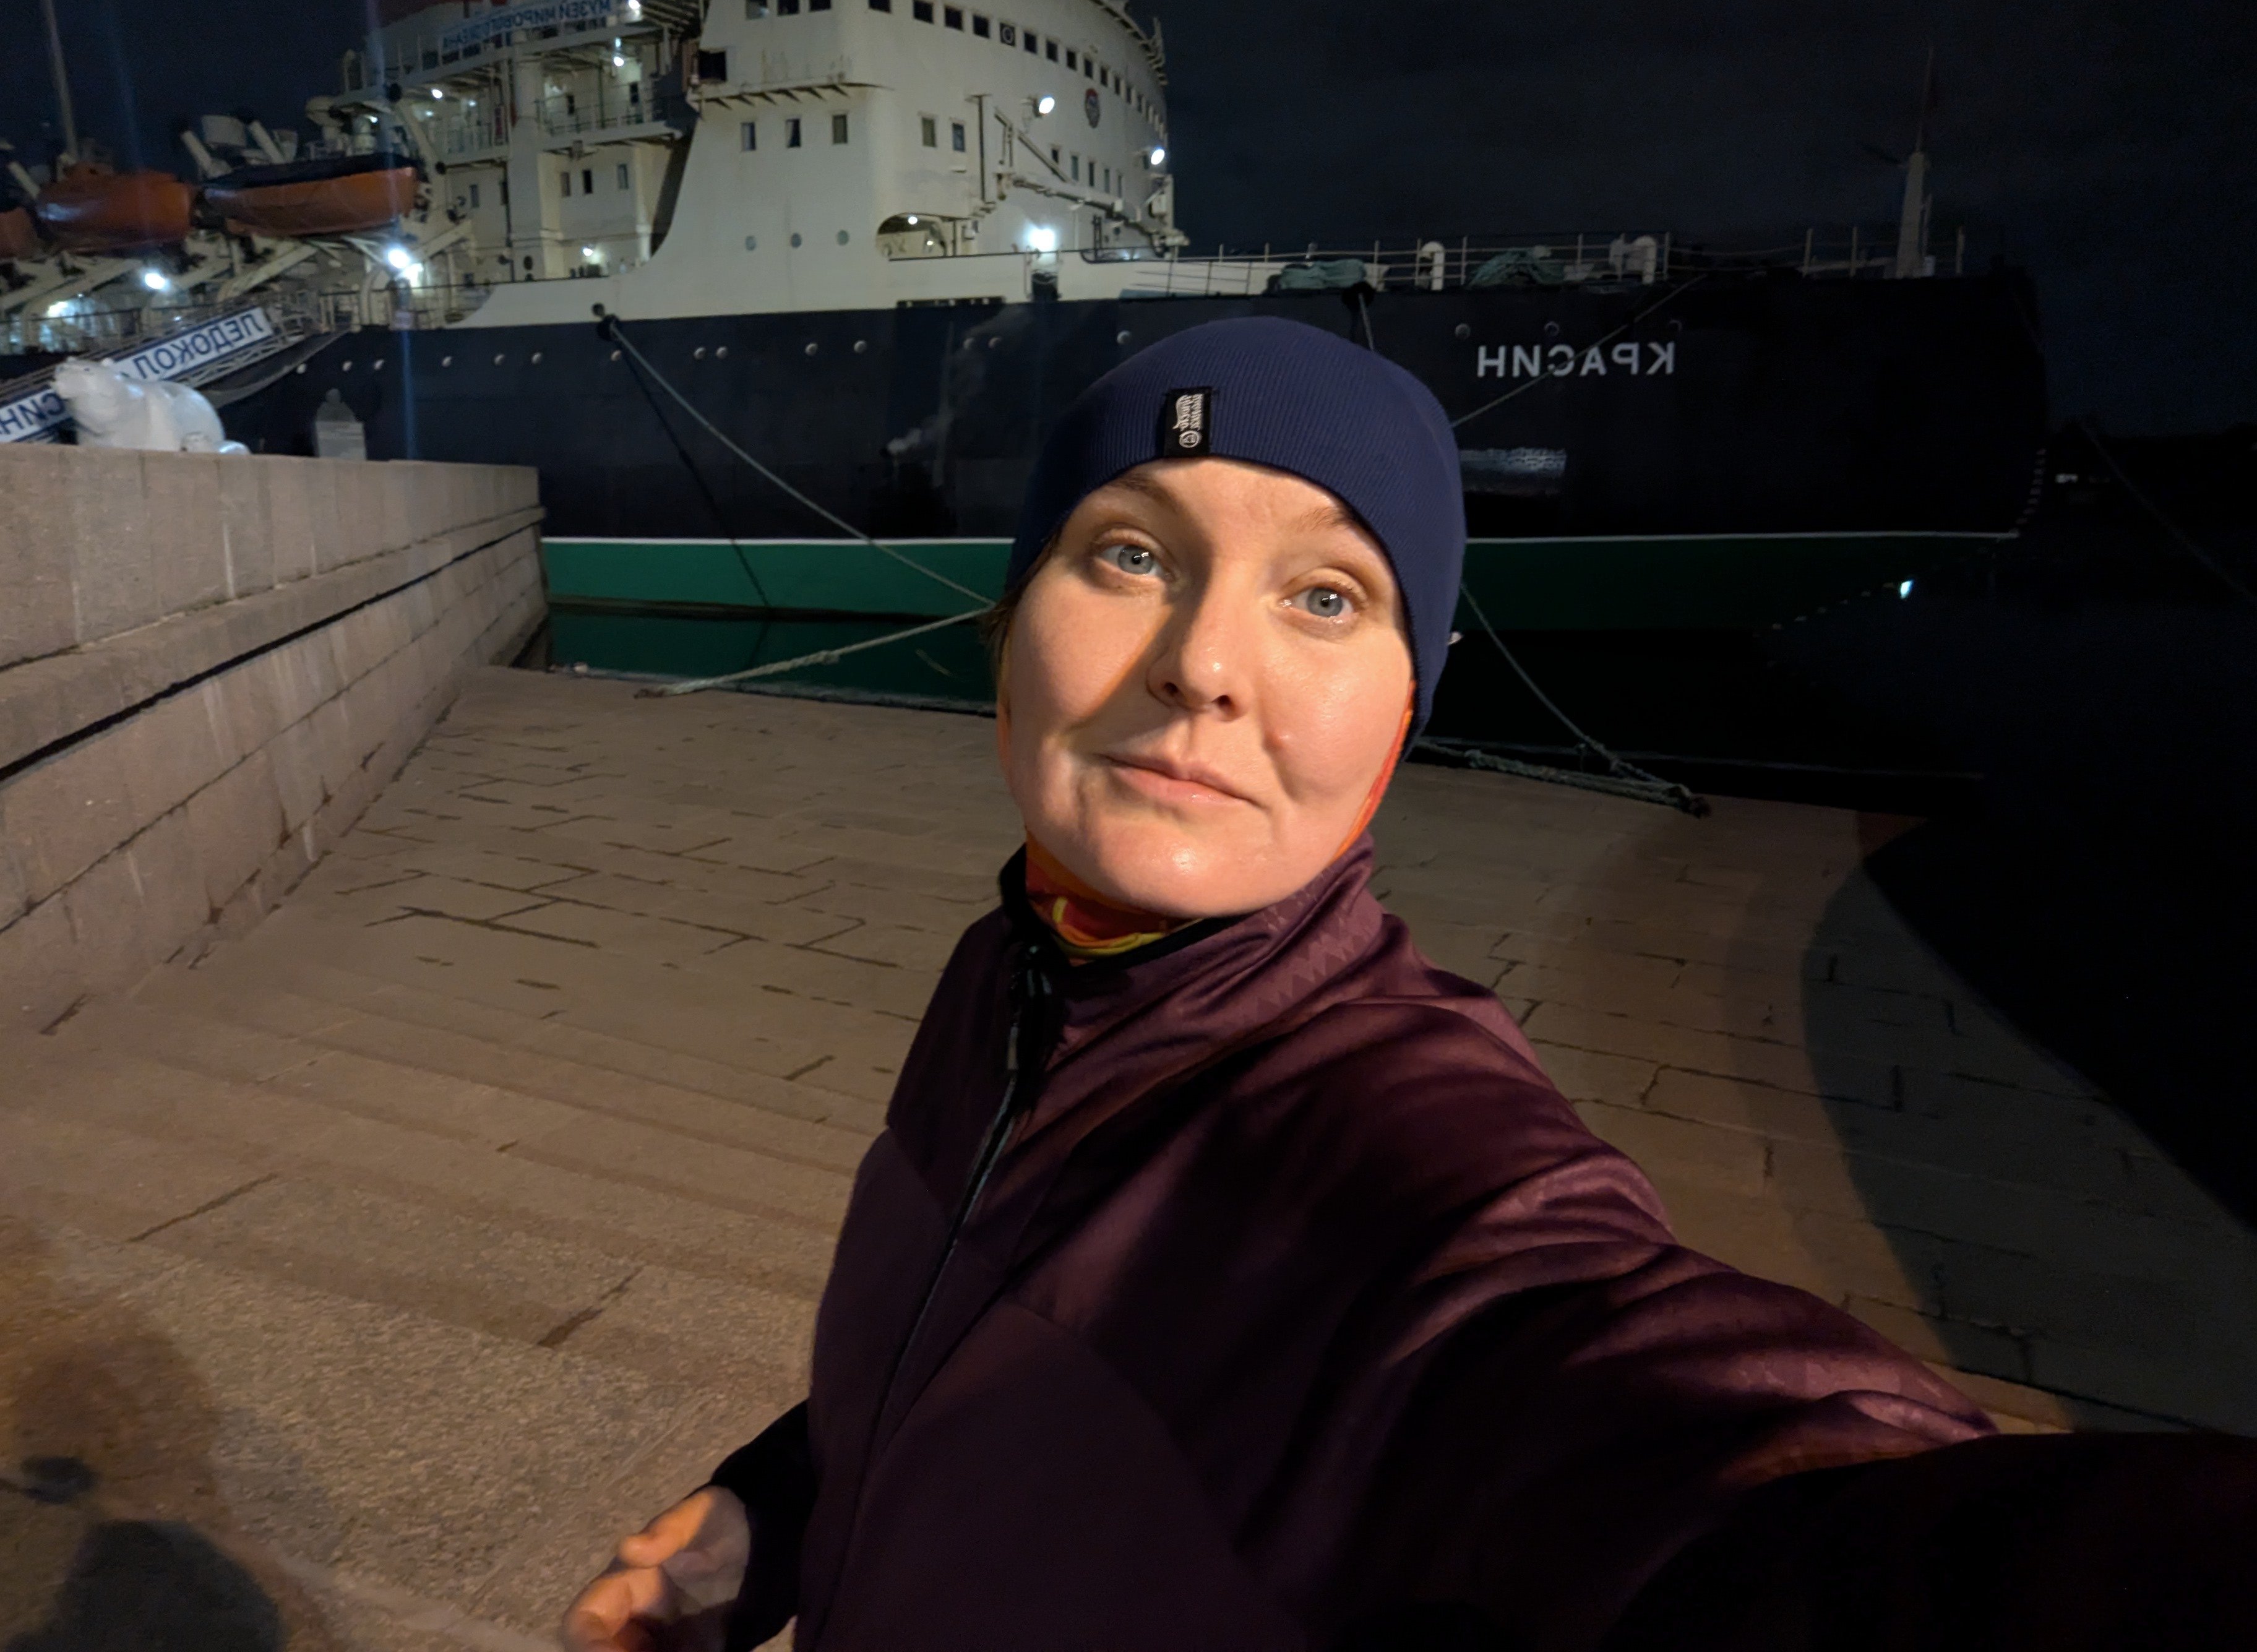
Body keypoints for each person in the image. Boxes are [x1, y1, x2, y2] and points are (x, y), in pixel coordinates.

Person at [563, 320, 2256, 1652]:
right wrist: (779, 1513)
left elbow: (1653, 1416)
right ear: (1011, 630)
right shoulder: (1020, 970)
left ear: (1406, 711)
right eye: (1132, 554)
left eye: (1326, 595)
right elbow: (983, 1332)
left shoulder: (1395, 1137)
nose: (1202, 665)